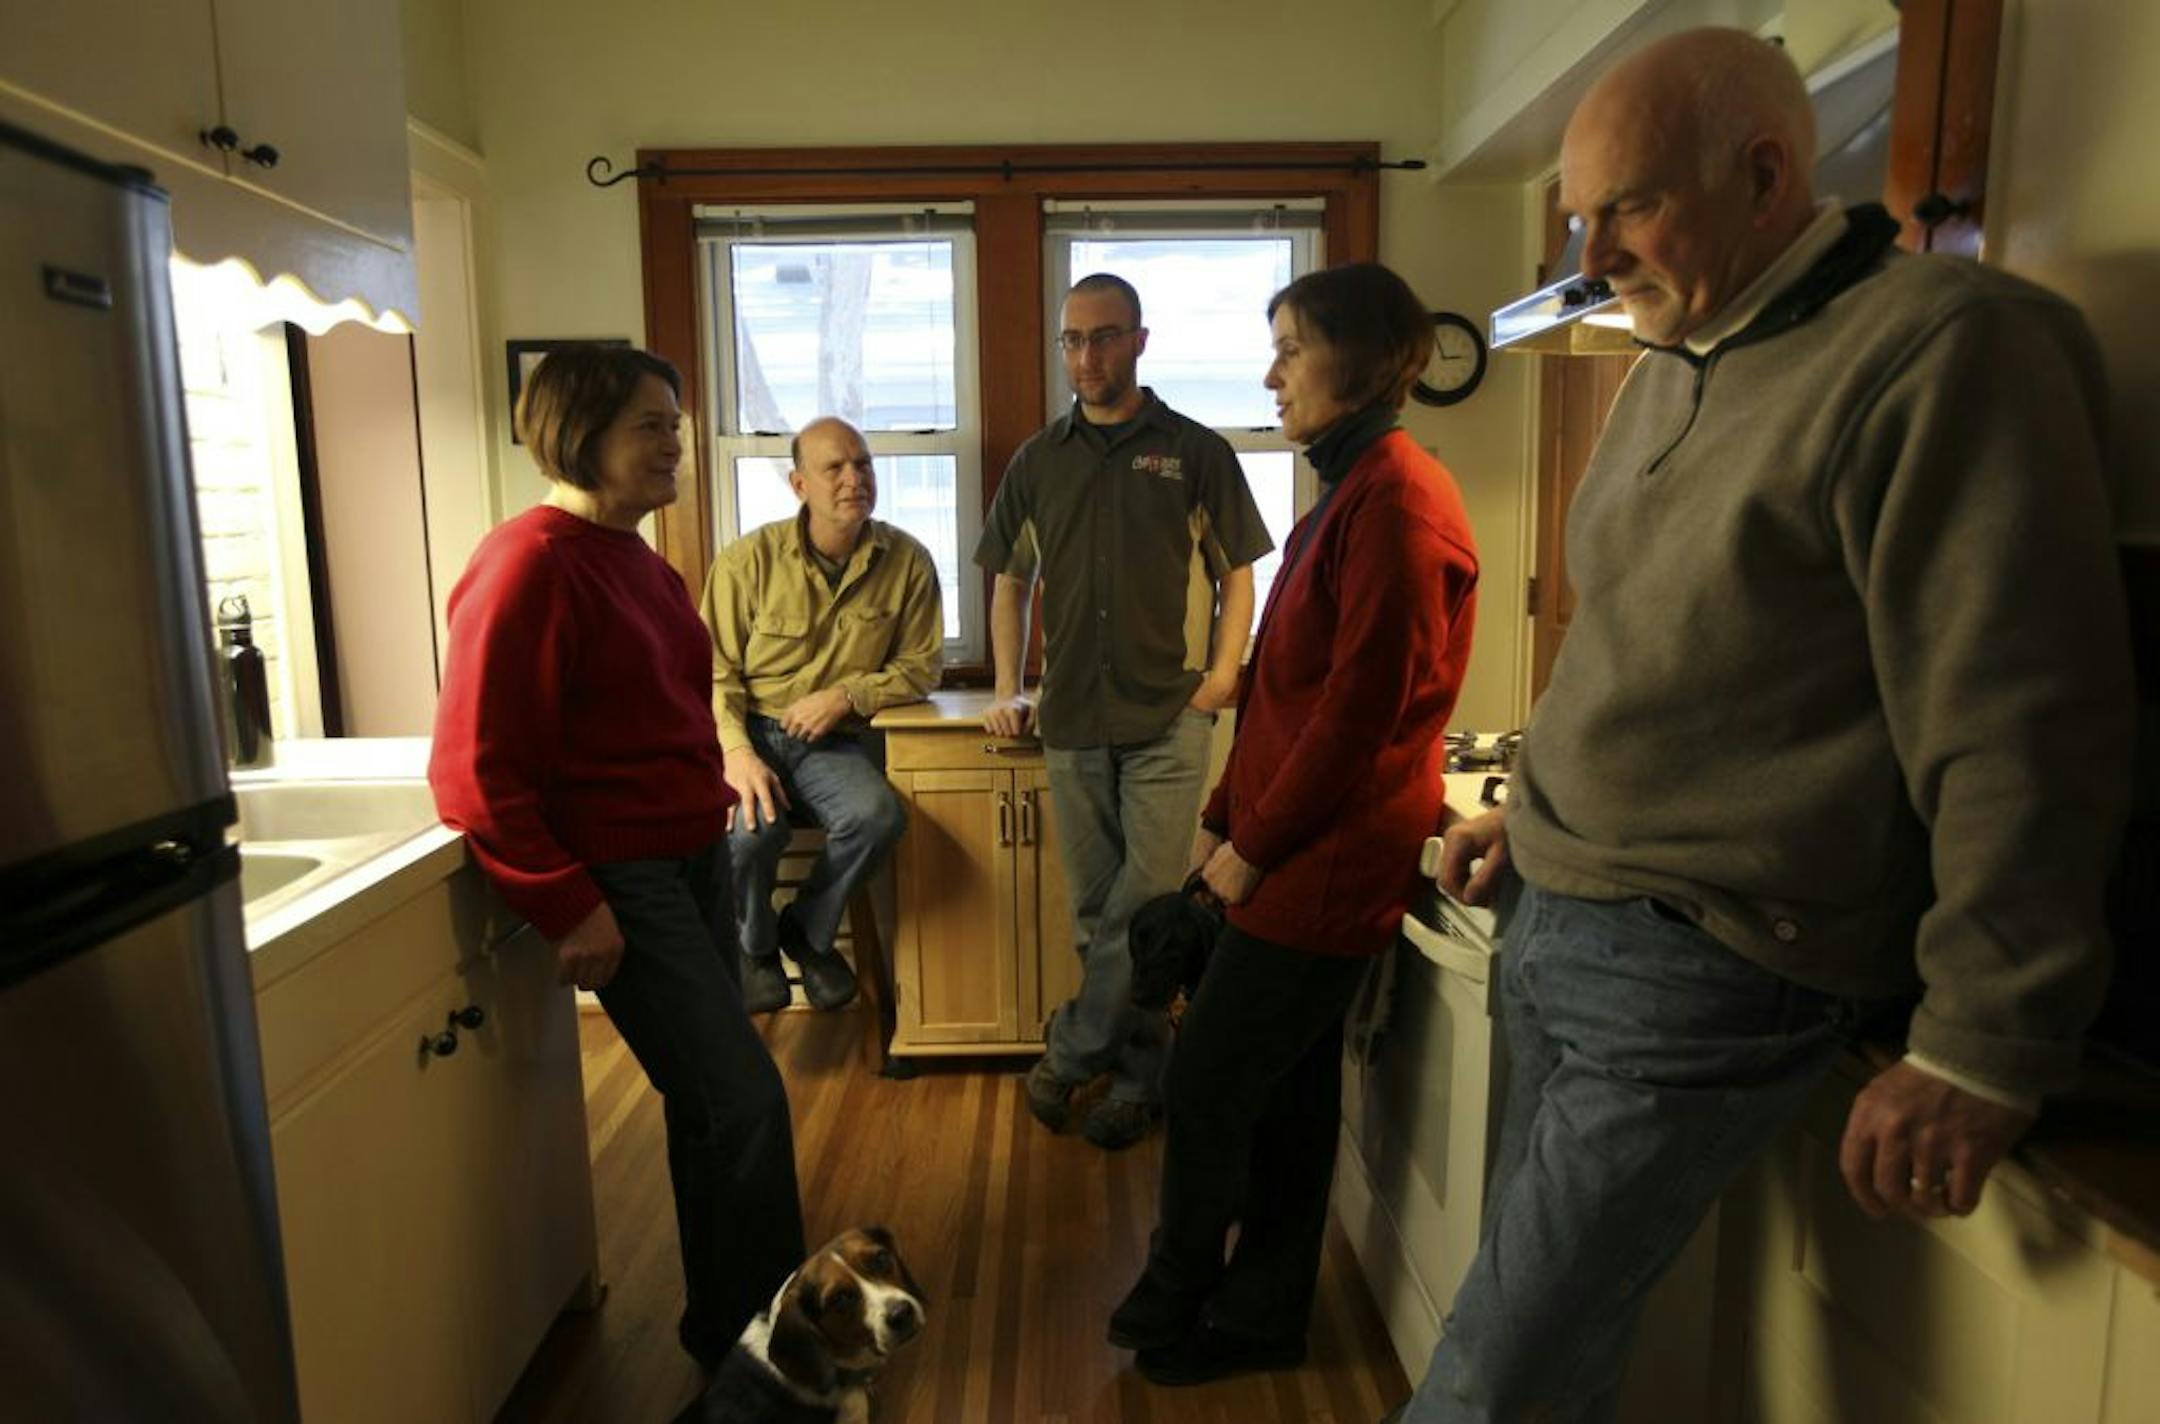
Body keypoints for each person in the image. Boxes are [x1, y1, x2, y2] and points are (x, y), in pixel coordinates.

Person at [1396, 28, 2136, 1423]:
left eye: (1629, 206)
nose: (1594, 248)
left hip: (1708, 969)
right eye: (1580, 213)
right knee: (1531, 1360)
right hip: (1558, 919)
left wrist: (1984, 1040)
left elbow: (2026, 727)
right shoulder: (1671, 355)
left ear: (1763, 174)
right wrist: (1533, 813)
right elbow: (1631, 652)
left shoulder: (1945, 352)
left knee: (1488, 1387)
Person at [1112, 261, 1480, 1387]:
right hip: (1290, 851)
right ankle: (1265, 1309)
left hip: (1325, 870)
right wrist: (1226, 819)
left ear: (1369, 363)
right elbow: (1285, 690)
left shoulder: (1400, 503)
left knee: (1213, 1079)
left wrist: (1251, 849)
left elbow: (1355, 717)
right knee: (1287, 1096)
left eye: (1291, 347)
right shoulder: (1351, 488)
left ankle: (1180, 1291)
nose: (1270, 373)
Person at [427, 345, 806, 1372]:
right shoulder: (527, 562)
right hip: (628, 881)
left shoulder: (639, 560)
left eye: (675, 421)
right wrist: (566, 901)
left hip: (691, 858)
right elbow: (472, 769)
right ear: (576, 430)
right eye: (651, 423)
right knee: (745, 1104)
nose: (674, 439)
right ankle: (777, 1367)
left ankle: (725, 1339)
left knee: (709, 1106)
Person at [976, 273, 1273, 1150]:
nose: (1086, 356)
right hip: (1069, 721)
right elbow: (1009, 582)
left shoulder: (1192, 451)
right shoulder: (1038, 460)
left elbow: (1237, 573)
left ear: (1140, 341)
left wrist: (1223, 675)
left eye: (1104, 337)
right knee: (1098, 915)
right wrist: (1006, 688)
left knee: (1146, 906)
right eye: (1072, 339)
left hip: (1167, 720)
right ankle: (1141, 1077)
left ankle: (1072, 1054)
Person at [699, 416, 943, 1015]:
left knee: (878, 816)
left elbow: (922, 667)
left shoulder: (907, 561)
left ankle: (806, 932)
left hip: (834, 743)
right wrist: (736, 755)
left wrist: (846, 696)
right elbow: (713, 674)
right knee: (752, 836)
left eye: (862, 464)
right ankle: (754, 946)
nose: (853, 478)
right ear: (799, 484)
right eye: (834, 467)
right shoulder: (745, 563)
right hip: (751, 731)